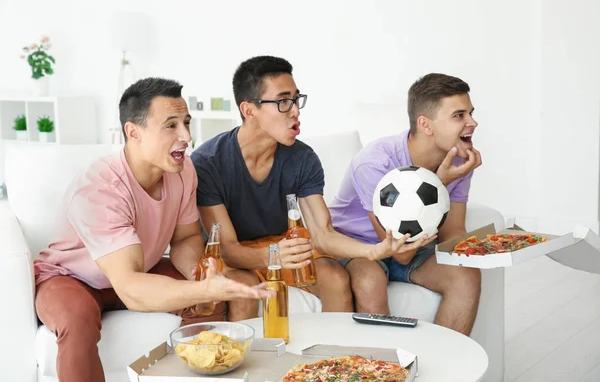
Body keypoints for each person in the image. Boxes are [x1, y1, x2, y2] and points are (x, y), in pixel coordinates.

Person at [33, 77, 273, 382]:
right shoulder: (100, 190)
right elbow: (131, 288)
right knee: (78, 319)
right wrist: (200, 288)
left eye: (186, 122)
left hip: (137, 270)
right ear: (133, 132)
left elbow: (185, 237)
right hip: (72, 278)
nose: (186, 136)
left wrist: (199, 276)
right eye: (171, 125)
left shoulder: (183, 170)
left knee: (206, 301)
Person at [191, 55, 425, 317]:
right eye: (282, 101)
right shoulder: (208, 162)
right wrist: (273, 255)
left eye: (296, 99)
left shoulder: (303, 158)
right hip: (240, 256)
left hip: (283, 247)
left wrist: (375, 251)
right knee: (241, 290)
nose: (295, 110)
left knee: (335, 279)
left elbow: (322, 234)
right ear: (249, 111)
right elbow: (227, 249)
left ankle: (336, 358)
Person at [328, 73, 483, 336]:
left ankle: (445, 369)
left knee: (466, 275)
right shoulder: (375, 163)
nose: (473, 122)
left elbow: (452, 232)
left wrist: (485, 249)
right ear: (426, 124)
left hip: (412, 247)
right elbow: (400, 251)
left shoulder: (459, 161)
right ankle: (385, 371)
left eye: (470, 113)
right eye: (459, 115)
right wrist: (439, 182)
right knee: (370, 280)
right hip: (361, 246)